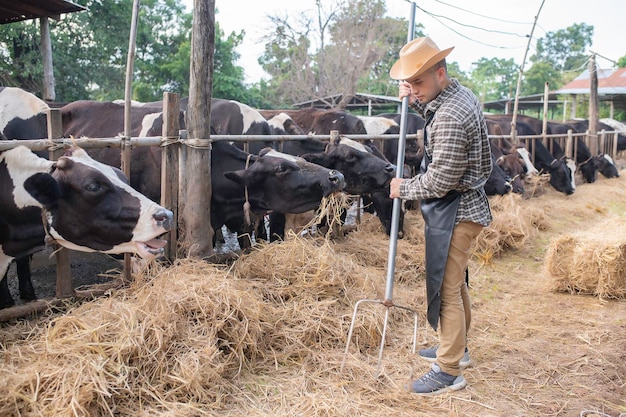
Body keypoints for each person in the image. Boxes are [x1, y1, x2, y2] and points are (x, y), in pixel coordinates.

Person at [388, 36, 493, 395]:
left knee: (446, 289)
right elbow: (434, 112)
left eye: (418, 82)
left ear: (441, 72)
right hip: (463, 205)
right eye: (410, 82)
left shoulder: (450, 113)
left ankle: (449, 370)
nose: (413, 89)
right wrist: (415, 98)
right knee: (455, 282)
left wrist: (404, 188)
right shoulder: (454, 94)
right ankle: (457, 348)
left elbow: (441, 178)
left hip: (458, 208)